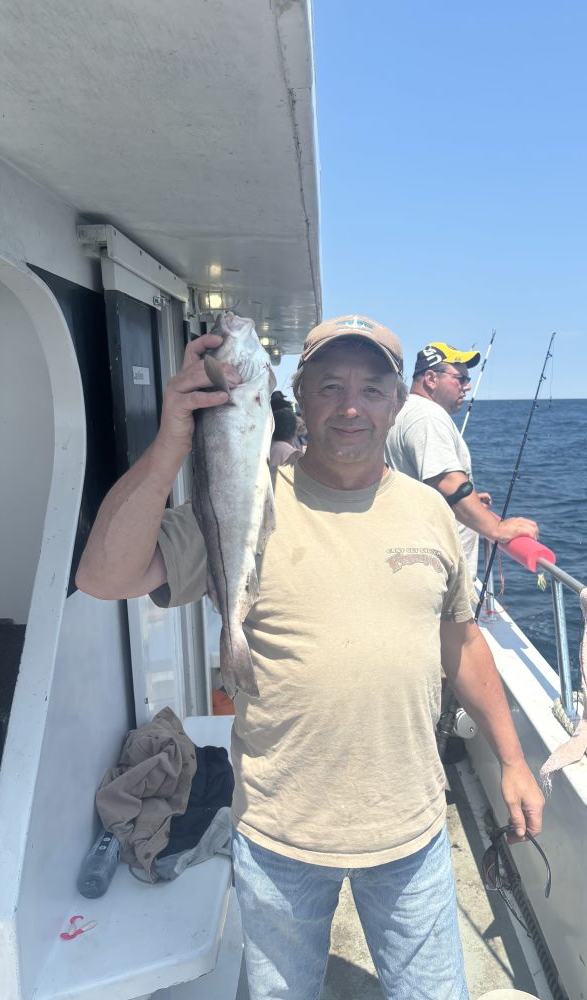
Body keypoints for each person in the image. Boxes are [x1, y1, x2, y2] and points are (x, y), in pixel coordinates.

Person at [76, 314, 544, 1000]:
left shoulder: (431, 512)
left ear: (395, 401)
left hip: (409, 831)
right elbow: (103, 577)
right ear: (291, 393)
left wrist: (511, 760)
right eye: (329, 387)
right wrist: (172, 443)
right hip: (279, 836)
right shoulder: (245, 497)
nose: (350, 406)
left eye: (369, 388)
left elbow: (463, 643)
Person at [385, 341, 539, 580]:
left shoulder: (402, 410)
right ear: (431, 378)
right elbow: (447, 481)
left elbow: (419, 482)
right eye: (460, 378)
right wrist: (496, 528)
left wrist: (471, 503)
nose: (467, 386)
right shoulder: (428, 416)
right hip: (439, 570)